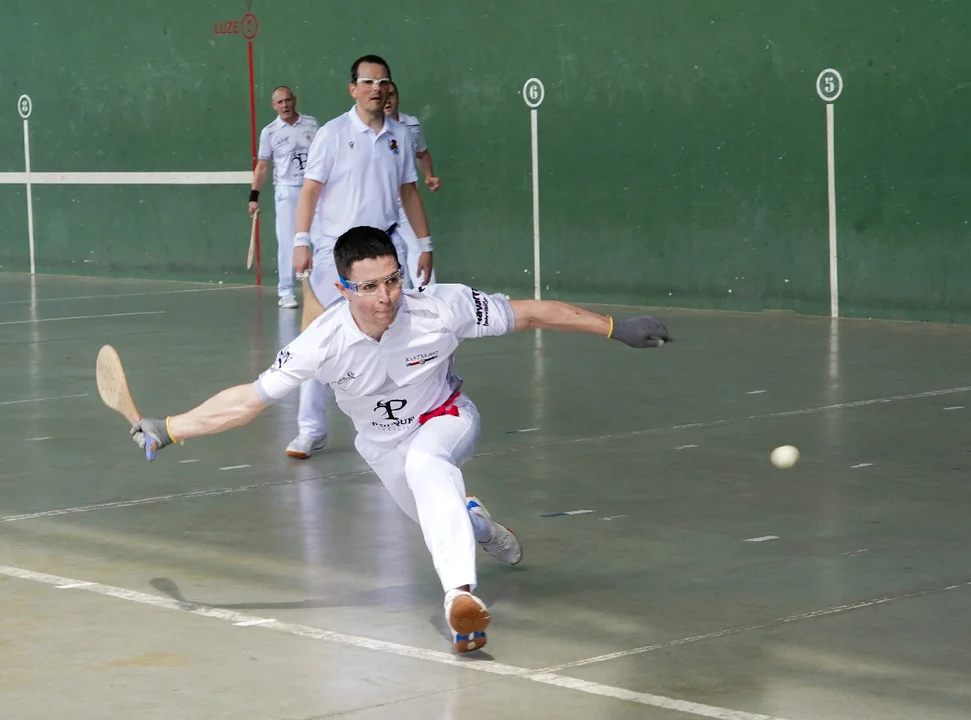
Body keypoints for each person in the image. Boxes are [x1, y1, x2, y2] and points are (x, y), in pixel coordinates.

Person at [129, 226, 672, 654]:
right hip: (381, 445)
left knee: (427, 463)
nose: (386, 296)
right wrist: (171, 428)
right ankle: (480, 524)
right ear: (343, 289)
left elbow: (529, 315)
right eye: (369, 287)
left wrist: (613, 327)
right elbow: (247, 401)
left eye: (392, 280)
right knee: (438, 508)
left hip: (448, 417)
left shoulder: (440, 307)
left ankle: (460, 600)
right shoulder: (320, 343)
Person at [286, 54, 434, 459]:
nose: (376, 88)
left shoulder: (400, 136)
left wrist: (424, 245)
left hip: (385, 252)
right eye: (367, 82)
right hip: (336, 252)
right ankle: (310, 429)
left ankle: (397, 425)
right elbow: (311, 190)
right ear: (353, 89)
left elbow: (409, 192)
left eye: (382, 82)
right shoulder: (332, 134)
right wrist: (301, 241)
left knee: (396, 338)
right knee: (318, 339)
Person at [249, 86, 319, 308]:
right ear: (274, 106)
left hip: (312, 188)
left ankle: (320, 288)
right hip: (286, 190)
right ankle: (286, 291)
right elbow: (262, 166)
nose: (285, 105)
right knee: (288, 240)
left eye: (288, 100)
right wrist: (254, 196)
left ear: (294, 100)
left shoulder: (311, 124)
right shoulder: (269, 132)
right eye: (280, 102)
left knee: (319, 237)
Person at [384, 81, 441, 290]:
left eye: (392, 95)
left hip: (406, 201)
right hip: (381, 203)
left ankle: (428, 298)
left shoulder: (411, 125)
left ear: (398, 97)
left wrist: (429, 175)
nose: (387, 100)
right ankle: (401, 297)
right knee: (390, 256)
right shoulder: (369, 130)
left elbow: (422, 153)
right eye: (384, 95)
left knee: (419, 248)